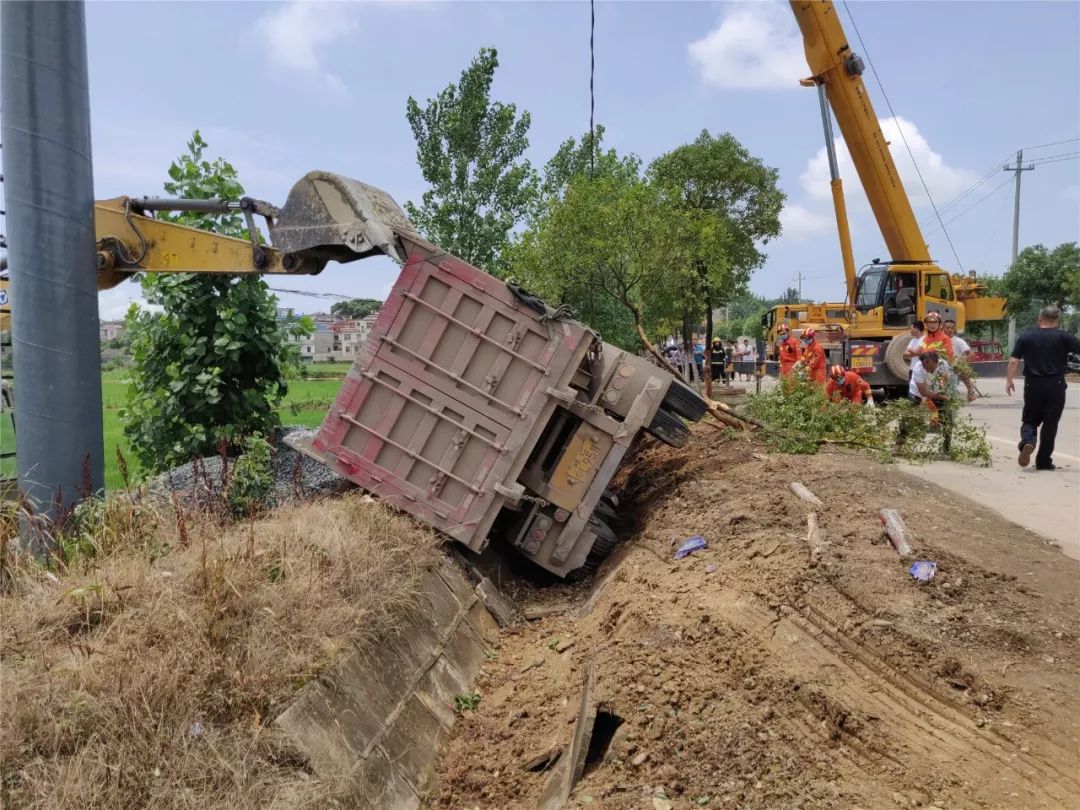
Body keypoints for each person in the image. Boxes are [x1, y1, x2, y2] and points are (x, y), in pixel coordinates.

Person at [1006, 305, 1080, 470]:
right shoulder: (1065, 337)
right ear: (1057, 319)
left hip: (1033, 384)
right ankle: (1043, 461)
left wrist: (1009, 380)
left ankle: (1028, 442)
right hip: (1056, 385)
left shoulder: (1027, 336)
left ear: (1040, 318)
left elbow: (1013, 361)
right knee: (1050, 423)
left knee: (1030, 419)